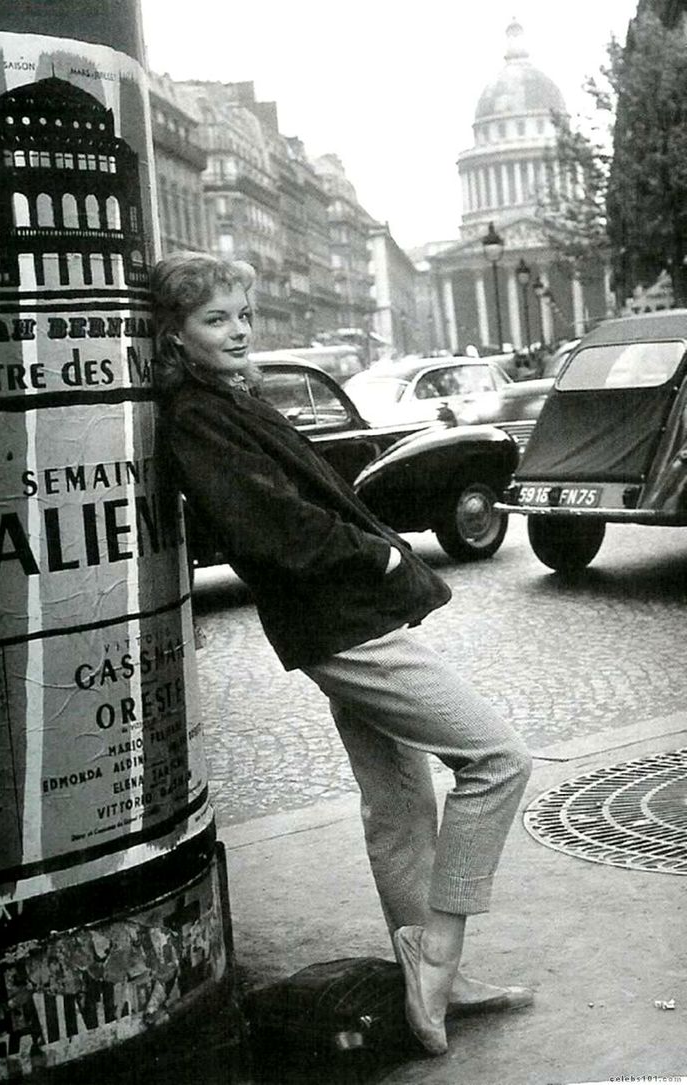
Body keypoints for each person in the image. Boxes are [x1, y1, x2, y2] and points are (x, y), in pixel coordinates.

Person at [151, 251, 534, 1056]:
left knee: (397, 801)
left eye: (244, 314)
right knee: (497, 758)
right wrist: (381, 556)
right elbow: (274, 528)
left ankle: (437, 984)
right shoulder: (195, 415)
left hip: (337, 619)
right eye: (216, 318)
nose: (240, 330)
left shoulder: (221, 400)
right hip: (343, 621)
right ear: (174, 333)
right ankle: (439, 955)